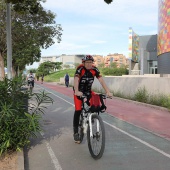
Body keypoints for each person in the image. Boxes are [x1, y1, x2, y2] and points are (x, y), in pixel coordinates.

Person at [73, 55, 112, 143]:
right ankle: (75, 132)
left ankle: (91, 118)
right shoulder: (80, 69)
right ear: (83, 63)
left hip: (88, 91)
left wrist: (108, 91)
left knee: (95, 104)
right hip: (78, 92)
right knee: (78, 110)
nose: (89, 64)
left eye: (90, 62)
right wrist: (76, 91)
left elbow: (101, 81)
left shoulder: (95, 70)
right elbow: (76, 79)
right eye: (87, 62)